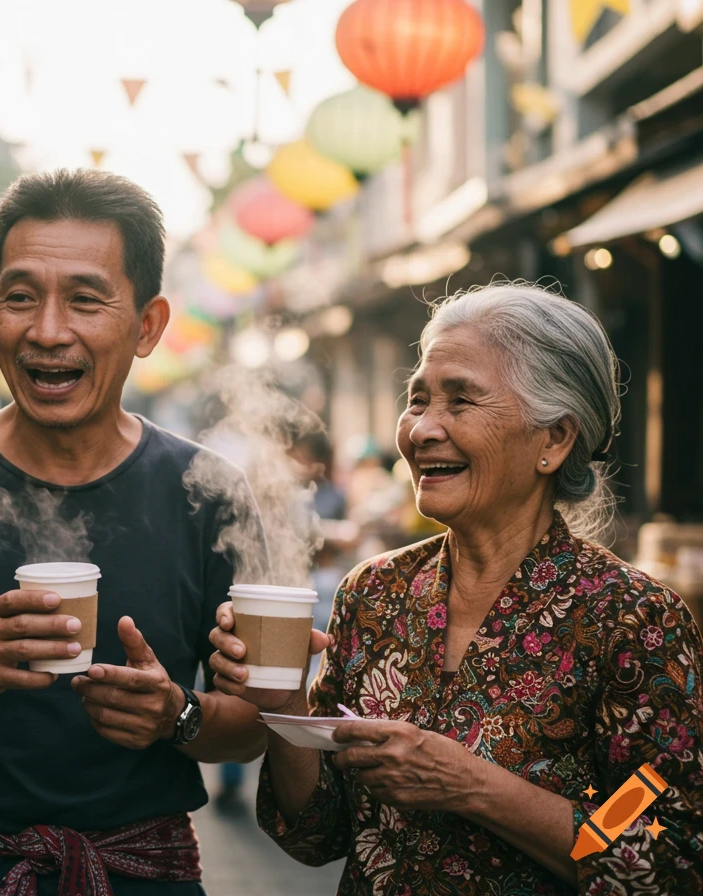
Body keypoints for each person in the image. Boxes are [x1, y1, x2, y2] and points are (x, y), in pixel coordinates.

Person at [0, 169, 268, 895]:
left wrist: (178, 715)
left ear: (148, 326)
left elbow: (253, 727)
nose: (47, 331)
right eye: (22, 296)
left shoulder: (208, 493)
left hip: (141, 874)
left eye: (86, 300)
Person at [210, 282, 703, 894]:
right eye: (418, 400)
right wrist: (282, 700)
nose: (420, 430)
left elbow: (660, 850)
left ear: (554, 439)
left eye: (461, 401)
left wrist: (471, 784)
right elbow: (317, 831)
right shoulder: (376, 594)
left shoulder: (630, 617)